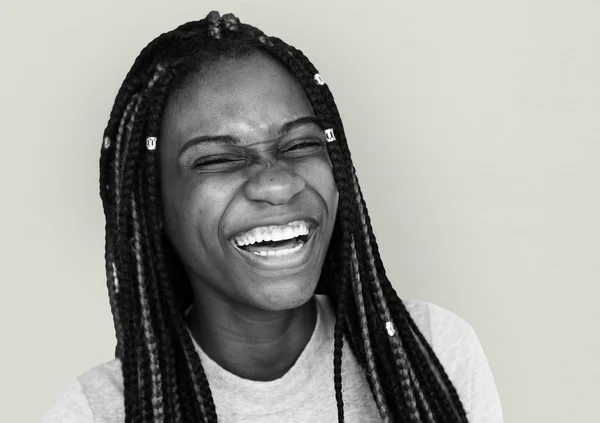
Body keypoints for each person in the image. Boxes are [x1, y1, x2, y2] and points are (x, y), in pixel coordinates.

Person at [44, 11, 503, 423]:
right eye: (215, 160)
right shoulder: (97, 411)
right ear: (154, 205)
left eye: (301, 145)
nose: (278, 183)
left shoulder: (433, 349)